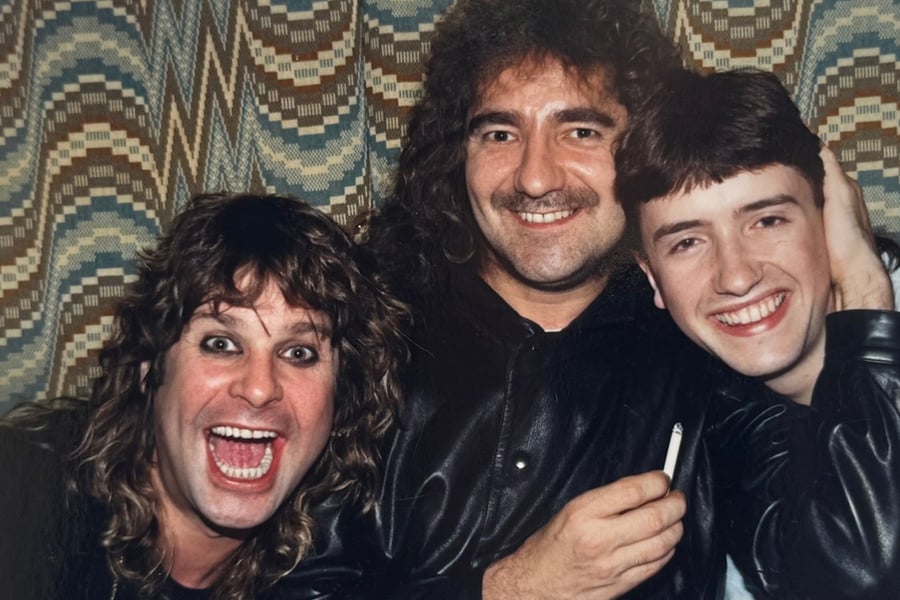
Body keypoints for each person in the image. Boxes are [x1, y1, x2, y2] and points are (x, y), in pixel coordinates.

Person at [279, 1, 900, 598]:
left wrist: (867, 295)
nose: (535, 177)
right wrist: (514, 592)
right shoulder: (366, 331)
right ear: (456, 155)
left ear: (641, 153)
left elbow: (856, 573)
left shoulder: (703, 347)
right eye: (499, 133)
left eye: (580, 130)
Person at [0, 192, 407, 599]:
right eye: (221, 344)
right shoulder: (26, 501)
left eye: (298, 353)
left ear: (341, 398)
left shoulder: (338, 570)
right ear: (150, 366)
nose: (259, 388)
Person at [615, 66, 900, 598]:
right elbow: (857, 571)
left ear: (833, 220)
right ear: (653, 279)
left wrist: (866, 289)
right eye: (687, 243)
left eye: (767, 220)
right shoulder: (719, 428)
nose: (736, 276)